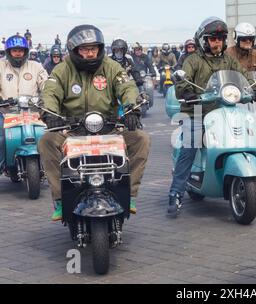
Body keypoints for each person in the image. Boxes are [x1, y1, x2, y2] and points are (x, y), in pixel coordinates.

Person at [38, 24, 150, 221]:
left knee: (140, 138)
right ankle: (60, 199)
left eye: (93, 48)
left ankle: (129, 194)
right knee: (46, 141)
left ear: (100, 48)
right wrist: (50, 113)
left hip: (109, 127)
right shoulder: (62, 69)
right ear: (74, 50)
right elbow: (50, 92)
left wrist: (133, 108)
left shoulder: (112, 67)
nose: (90, 53)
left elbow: (127, 86)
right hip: (71, 129)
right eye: (84, 49)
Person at [167, 17, 253, 218]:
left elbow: (242, 74)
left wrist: (253, 87)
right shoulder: (193, 60)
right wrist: (186, 92)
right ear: (203, 40)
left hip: (224, 107)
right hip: (197, 110)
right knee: (190, 144)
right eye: (213, 39)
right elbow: (182, 80)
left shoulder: (228, 60)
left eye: (221, 39)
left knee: (245, 132)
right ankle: (175, 193)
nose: (217, 43)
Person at [0, 35, 48, 170]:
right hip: (6, 112)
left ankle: (51, 166)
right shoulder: (1, 66)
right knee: (1, 139)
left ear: (25, 51)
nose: (17, 53)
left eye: (20, 50)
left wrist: (48, 96)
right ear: (9, 52)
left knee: (51, 133)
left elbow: (46, 84)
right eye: (14, 50)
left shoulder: (36, 66)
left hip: (33, 111)